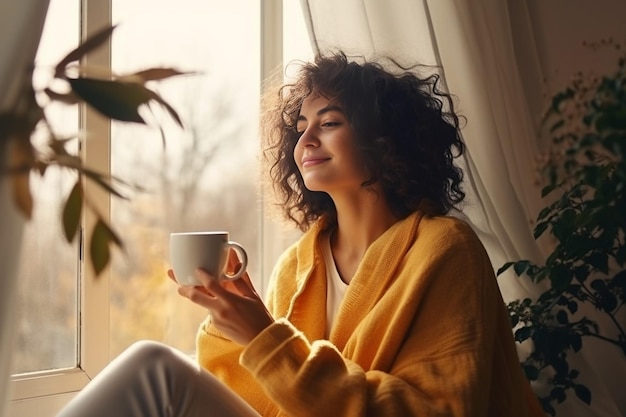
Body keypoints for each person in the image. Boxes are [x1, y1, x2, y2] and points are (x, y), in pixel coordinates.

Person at [57, 51, 544, 417]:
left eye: (329, 123)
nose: (305, 139)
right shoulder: (299, 264)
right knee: (154, 369)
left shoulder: (443, 250)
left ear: (385, 140)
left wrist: (266, 337)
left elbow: (437, 411)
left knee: (154, 371)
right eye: (301, 125)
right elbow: (266, 399)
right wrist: (233, 321)